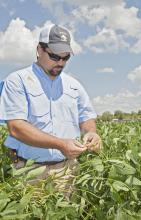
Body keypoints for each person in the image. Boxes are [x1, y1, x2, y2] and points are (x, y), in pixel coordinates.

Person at [0, 24, 101, 192]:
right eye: (54, 56)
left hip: (68, 170)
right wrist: (60, 144)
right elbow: (16, 127)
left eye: (65, 57)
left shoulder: (74, 85)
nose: (60, 62)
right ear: (39, 49)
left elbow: (86, 116)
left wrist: (91, 132)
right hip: (30, 170)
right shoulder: (18, 80)